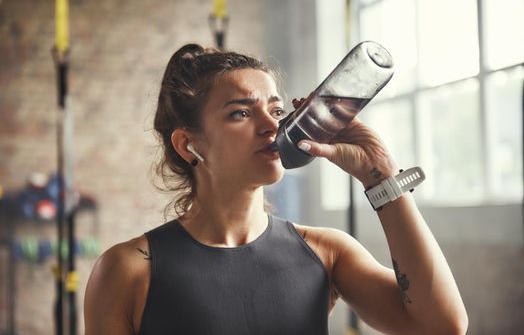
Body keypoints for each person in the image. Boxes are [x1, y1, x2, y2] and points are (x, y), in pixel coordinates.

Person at [84, 44, 468, 335]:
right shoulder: (129, 268)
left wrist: (381, 178)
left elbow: (442, 326)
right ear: (189, 145)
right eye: (241, 112)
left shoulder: (327, 252)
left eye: (277, 110)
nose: (271, 126)